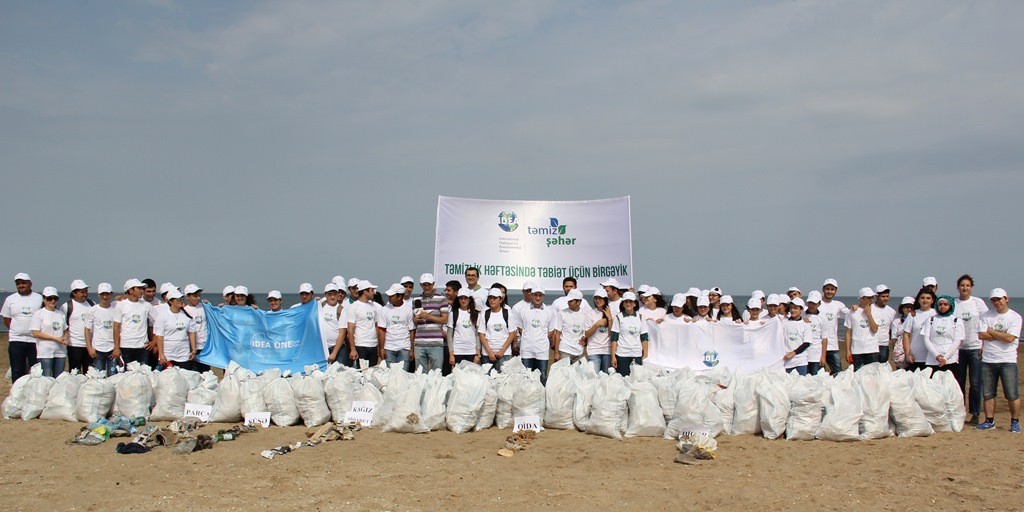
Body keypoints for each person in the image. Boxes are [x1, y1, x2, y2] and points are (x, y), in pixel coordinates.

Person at [976, 288, 1021, 432]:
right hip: (989, 359)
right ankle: (989, 421)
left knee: (1012, 394)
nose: (996, 302)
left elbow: (1010, 338)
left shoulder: (1015, 317)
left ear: (1006, 299)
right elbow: (981, 335)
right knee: (988, 393)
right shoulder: (986, 315)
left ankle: (1015, 422)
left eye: (999, 299)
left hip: (1008, 360)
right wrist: (1001, 335)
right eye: (994, 300)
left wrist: (992, 331)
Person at [954, 274, 989, 424]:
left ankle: (975, 413)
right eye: (962, 285)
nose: (965, 288)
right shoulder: (954, 303)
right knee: (959, 381)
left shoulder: (978, 303)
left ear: (971, 288)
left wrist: (984, 345)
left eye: (967, 285)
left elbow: (985, 323)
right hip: (959, 349)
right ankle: (960, 412)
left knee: (975, 383)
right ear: (958, 287)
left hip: (975, 347)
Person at [2, 273, 43, 382]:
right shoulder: (10, 299)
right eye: (18, 283)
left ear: (30, 283)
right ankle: (16, 394)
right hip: (16, 340)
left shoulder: (39, 298)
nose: (21, 285)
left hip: (34, 341)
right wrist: (18, 330)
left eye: (23, 283)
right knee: (17, 370)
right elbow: (6, 320)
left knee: (36, 371)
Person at [517, 285, 559, 384]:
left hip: (542, 350)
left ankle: (542, 399)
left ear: (543, 296)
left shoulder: (549, 311)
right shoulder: (523, 310)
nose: (538, 298)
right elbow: (520, 328)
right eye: (535, 295)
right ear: (531, 295)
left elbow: (551, 331)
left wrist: (541, 339)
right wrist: (529, 338)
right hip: (526, 349)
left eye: (540, 295)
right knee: (526, 377)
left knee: (543, 377)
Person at [153, 289, 198, 370]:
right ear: (171, 301)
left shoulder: (187, 316)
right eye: (178, 299)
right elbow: (159, 336)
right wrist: (161, 354)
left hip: (183, 354)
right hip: (168, 354)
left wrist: (194, 350)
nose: (181, 301)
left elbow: (192, 333)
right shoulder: (162, 316)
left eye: (182, 299)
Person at [113, 278, 154, 365]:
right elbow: (116, 328)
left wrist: (154, 342)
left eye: (142, 288)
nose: (142, 291)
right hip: (126, 346)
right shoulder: (121, 305)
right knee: (128, 375)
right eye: (139, 288)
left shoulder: (146, 305)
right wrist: (116, 347)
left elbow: (159, 322)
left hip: (143, 347)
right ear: (131, 290)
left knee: (143, 374)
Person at [921, 296, 965, 376]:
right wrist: (936, 355)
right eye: (940, 304)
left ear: (950, 305)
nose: (943, 306)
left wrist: (945, 358)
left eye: (945, 304)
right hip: (932, 360)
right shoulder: (931, 320)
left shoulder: (957, 321)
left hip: (950, 360)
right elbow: (926, 339)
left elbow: (957, 341)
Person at [30, 286, 68, 378]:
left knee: (58, 378)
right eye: (49, 298)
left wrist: (65, 339)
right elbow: (36, 333)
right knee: (46, 378)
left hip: (60, 351)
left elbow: (65, 330)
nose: (52, 301)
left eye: (55, 298)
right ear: (44, 299)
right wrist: (55, 338)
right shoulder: (39, 314)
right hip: (45, 351)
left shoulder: (60, 314)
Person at [412, 273, 447, 373]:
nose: (427, 287)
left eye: (429, 284)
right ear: (420, 285)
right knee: (420, 374)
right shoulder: (416, 300)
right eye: (424, 285)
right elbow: (414, 320)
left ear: (433, 284)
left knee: (437, 373)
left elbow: (444, 319)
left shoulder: (441, 299)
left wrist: (429, 316)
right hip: (419, 342)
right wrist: (416, 320)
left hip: (436, 343)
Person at [380, 284, 416, 371]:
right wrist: (381, 349)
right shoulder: (385, 309)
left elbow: (411, 330)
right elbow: (382, 330)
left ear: (399, 296)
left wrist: (411, 349)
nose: (389, 297)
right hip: (389, 348)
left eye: (392, 296)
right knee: (390, 376)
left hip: (404, 348)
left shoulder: (408, 309)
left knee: (403, 375)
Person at [61, 279, 94, 374]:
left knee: (89, 373)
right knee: (74, 373)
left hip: (89, 346)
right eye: (82, 292)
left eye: (86, 291)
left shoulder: (92, 304)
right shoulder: (67, 306)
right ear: (74, 293)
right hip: (74, 345)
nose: (85, 294)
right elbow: (63, 325)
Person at [611, 292, 647, 377]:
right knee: (623, 379)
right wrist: (613, 356)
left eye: (630, 301)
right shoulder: (618, 317)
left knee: (637, 379)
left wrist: (645, 355)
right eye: (626, 301)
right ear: (623, 303)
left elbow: (644, 337)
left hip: (637, 353)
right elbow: (614, 338)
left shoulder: (641, 317)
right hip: (622, 354)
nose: (628, 303)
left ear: (635, 303)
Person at [478, 288, 515, 371]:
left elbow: (512, 333)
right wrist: (489, 352)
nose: (492, 300)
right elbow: (481, 334)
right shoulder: (485, 313)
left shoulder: (507, 313)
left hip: (505, 354)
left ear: (501, 299)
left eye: (495, 298)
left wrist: (502, 351)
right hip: (487, 354)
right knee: (487, 380)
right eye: (490, 298)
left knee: (503, 380)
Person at [844, 288, 881, 371]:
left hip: (872, 349)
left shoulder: (876, 311)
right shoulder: (852, 312)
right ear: (861, 298)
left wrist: (869, 314)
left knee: (872, 376)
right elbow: (848, 332)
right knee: (857, 375)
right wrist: (848, 351)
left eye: (872, 297)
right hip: (857, 350)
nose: (871, 300)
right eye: (868, 298)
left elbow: (874, 329)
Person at [84, 283, 117, 375]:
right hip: (98, 349)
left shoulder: (116, 309)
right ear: (98, 295)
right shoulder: (93, 310)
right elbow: (87, 330)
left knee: (113, 376)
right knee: (99, 377)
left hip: (112, 349)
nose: (105, 297)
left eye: (107, 294)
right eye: (102, 294)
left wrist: (117, 348)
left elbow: (119, 329)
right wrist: (89, 348)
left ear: (111, 294)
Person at [347, 280, 381, 367]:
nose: (373, 293)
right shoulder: (354, 307)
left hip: (373, 345)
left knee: (372, 373)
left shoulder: (374, 306)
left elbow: (376, 326)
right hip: (360, 346)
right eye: (372, 290)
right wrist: (353, 349)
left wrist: (378, 346)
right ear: (365, 292)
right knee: (362, 374)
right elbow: (350, 330)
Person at [818, 278, 849, 374]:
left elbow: (850, 315)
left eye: (832, 289)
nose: (829, 292)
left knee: (838, 372)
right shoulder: (816, 304)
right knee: (818, 373)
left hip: (832, 345)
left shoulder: (838, 305)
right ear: (823, 289)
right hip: (817, 345)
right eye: (827, 289)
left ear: (836, 291)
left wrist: (856, 308)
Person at [903, 288, 937, 372]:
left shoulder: (936, 314)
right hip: (916, 357)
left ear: (932, 300)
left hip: (932, 357)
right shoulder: (913, 314)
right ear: (918, 300)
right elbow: (906, 335)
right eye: (922, 298)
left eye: (928, 298)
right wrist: (908, 353)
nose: (925, 300)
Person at [446, 289, 480, 366]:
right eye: (461, 298)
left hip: (471, 351)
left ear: (469, 299)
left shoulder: (476, 314)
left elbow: (478, 335)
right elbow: (449, 335)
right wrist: (451, 354)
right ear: (458, 299)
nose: (463, 300)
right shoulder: (453, 314)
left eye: (465, 298)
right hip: (457, 351)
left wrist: (477, 354)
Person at [554, 289, 589, 364]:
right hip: (564, 350)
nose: (568, 303)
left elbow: (587, 331)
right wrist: (556, 352)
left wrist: (585, 340)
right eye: (568, 301)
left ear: (578, 302)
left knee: (578, 375)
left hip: (579, 351)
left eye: (571, 301)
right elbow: (557, 333)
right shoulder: (562, 313)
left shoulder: (586, 314)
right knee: (565, 374)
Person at [584, 289, 614, 373]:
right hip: (593, 351)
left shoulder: (612, 312)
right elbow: (586, 334)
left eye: (600, 298)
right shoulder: (590, 313)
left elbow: (612, 334)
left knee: (606, 378)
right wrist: (596, 325)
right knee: (594, 377)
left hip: (607, 351)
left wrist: (610, 318)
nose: (598, 300)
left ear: (605, 299)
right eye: (596, 298)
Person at [782, 298, 813, 375]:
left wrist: (792, 353)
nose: (792, 310)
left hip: (800, 361)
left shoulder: (806, 324)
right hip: (787, 361)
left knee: (801, 384)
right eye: (791, 308)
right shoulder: (784, 322)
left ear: (801, 310)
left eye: (795, 308)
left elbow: (807, 343)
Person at [182, 284, 209, 372]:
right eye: (194, 296)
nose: (197, 298)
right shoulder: (184, 310)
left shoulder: (204, 307)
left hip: (205, 346)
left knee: (206, 373)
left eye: (198, 295)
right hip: (191, 347)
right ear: (187, 296)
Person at [320, 283, 345, 363]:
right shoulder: (319, 306)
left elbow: (342, 333)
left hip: (337, 349)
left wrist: (334, 353)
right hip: (322, 348)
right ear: (325, 294)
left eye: (335, 294)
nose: (332, 297)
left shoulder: (341, 310)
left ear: (338, 294)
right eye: (330, 294)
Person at [872, 284, 896, 365]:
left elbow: (893, 329)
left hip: (884, 345)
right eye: (883, 296)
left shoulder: (891, 311)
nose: (885, 298)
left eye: (887, 296)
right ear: (876, 296)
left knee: (882, 368)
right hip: (871, 343)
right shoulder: (870, 309)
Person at [803, 291, 826, 375]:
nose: (811, 305)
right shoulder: (802, 315)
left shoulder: (822, 318)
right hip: (803, 355)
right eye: (810, 303)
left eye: (814, 303)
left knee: (816, 379)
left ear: (819, 304)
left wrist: (823, 356)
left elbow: (824, 339)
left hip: (816, 355)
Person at [890, 296, 914, 370]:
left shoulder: (916, 320)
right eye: (906, 307)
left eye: (911, 307)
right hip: (901, 353)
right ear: (902, 308)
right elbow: (893, 338)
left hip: (914, 350)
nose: (909, 309)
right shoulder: (897, 321)